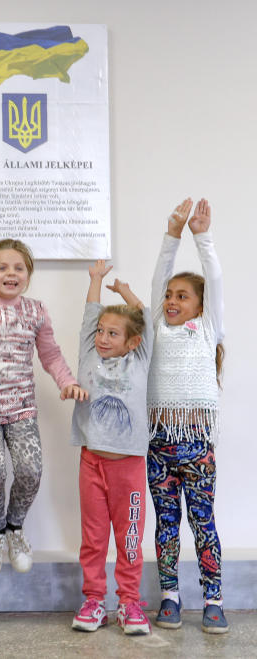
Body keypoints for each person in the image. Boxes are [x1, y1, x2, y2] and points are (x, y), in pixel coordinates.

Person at [0, 238, 84, 577]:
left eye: (19, 268)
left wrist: (66, 381)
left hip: (22, 406)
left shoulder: (35, 310)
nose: (11, 273)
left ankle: (15, 528)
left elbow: (50, 354)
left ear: (28, 274)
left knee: (30, 471)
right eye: (2, 267)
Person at [147, 198, 228, 634]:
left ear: (200, 305)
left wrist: (202, 237)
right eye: (169, 296)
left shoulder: (208, 326)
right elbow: (159, 274)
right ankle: (170, 597)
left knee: (203, 523)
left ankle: (213, 599)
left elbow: (213, 279)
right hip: (159, 446)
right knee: (166, 525)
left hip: (197, 448)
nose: (172, 300)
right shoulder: (157, 326)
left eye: (182, 296)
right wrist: (172, 235)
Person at [69, 261, 154, 635]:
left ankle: (130, 603)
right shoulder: (90, 356)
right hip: (92, 463)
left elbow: (147, 321)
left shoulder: (139, 360)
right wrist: (96, 281)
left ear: (132, 342)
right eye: (101, 332)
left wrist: (124, 293)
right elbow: (90, 317)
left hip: (129, 467)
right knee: (93, 538)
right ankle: (93, 601)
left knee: (129, 539)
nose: (103, 338)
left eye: (113, 334)